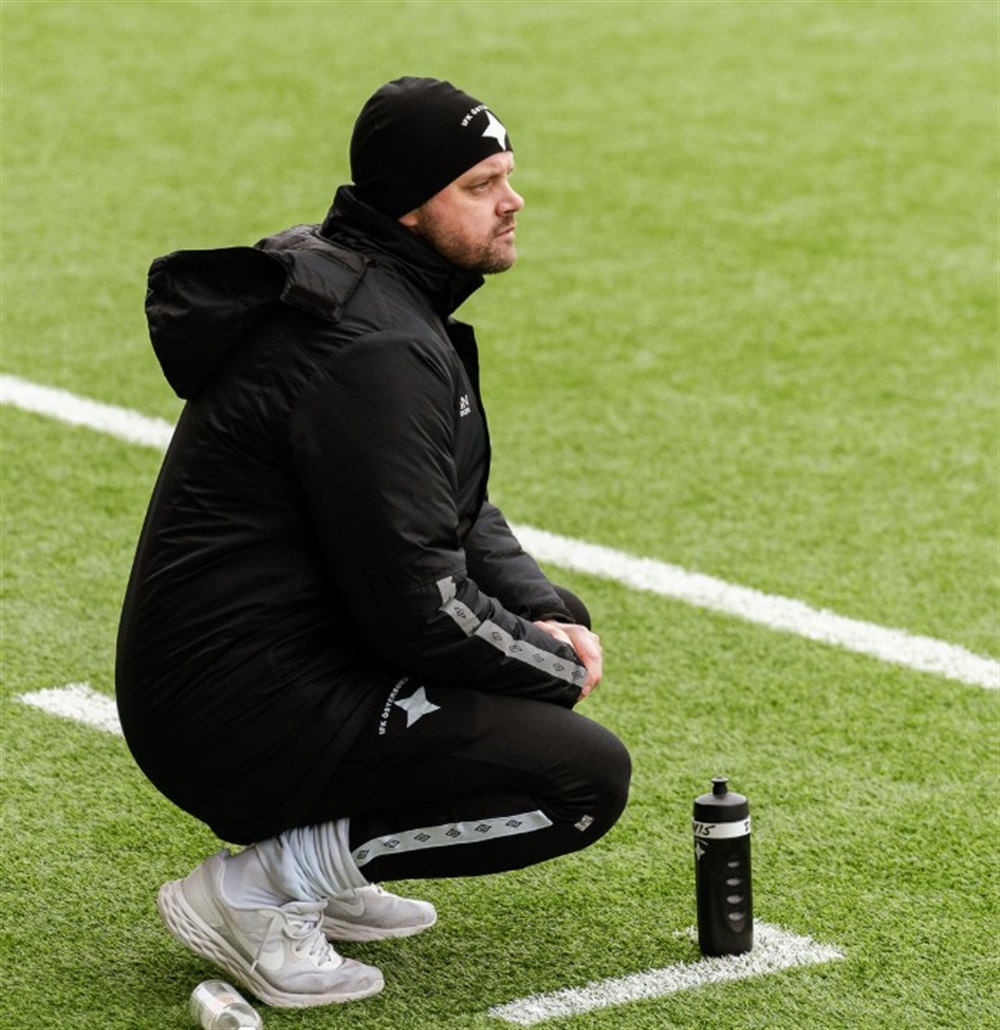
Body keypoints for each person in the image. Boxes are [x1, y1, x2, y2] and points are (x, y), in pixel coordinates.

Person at [116, 76, 631, 1010]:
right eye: (480, 185)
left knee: (547, 623)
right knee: (582, 778)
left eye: (507, 177)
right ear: (409, 205)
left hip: (263, 666)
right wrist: (554, 666)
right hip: (231, 708)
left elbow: (450, 508)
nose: (513, 201)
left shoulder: (376, 296)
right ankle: (264, 888)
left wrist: (542, 613)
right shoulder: (371, 347)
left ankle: (321, 859)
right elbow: (418, 608)